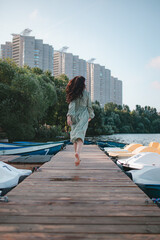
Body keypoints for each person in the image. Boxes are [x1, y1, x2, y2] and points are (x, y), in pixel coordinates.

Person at [66, 76, 95, 166]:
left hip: (74, 115)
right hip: (83, 115)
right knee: (80, 136)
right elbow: (89, 106)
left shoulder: (74, 94)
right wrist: (91, 115)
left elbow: (72, 105)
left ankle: (76, 157)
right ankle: (78, 153)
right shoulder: (86, 94)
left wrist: (69, 116)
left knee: (75, 136)